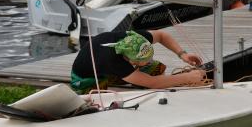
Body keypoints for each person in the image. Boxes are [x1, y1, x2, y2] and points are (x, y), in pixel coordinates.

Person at [70, 29, 205, 93]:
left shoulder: (133, 39)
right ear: (129, 59)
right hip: (86, 78)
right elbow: (153, 83)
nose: (149, 60)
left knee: (156, 67)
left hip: (109, 71)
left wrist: (182, 54)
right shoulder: (113, 61)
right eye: (145, 60)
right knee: (95, 103)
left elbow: (162, 35)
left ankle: (137, 82)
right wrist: (187, 77)